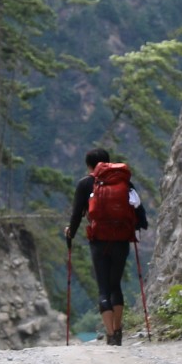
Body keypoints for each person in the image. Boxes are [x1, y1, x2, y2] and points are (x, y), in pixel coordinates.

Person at [64, 147, 142, 346]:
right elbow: (140, 214)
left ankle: (110, 334)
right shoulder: (123, 182)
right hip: (122, 240)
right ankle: (118, 329)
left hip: (98, 240)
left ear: (89, 165)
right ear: (108, 162)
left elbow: (76, 215)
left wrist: (70, 234)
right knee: (116, 285)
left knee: (103, 289)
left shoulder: (85, 184)